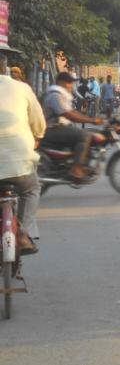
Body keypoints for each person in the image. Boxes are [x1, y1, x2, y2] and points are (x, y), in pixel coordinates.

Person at [0, 53, 46, 254]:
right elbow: (39, 124)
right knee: (31, 189)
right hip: (20, 164)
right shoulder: (22, 88)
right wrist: (37, 135)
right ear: (6, 67)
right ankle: (23, 234)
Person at [41, 71, 105, 181]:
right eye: (69, 82)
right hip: (51, 129)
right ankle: (76, 168)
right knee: (84, 136)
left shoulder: (61, 94)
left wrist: (91, 119)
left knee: (90, 132)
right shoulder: (55, 95)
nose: (71, 86)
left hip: (58, 127)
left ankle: (78, 163)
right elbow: (68, 114)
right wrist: (92, 120)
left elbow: (72, 111)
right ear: (61, 82)